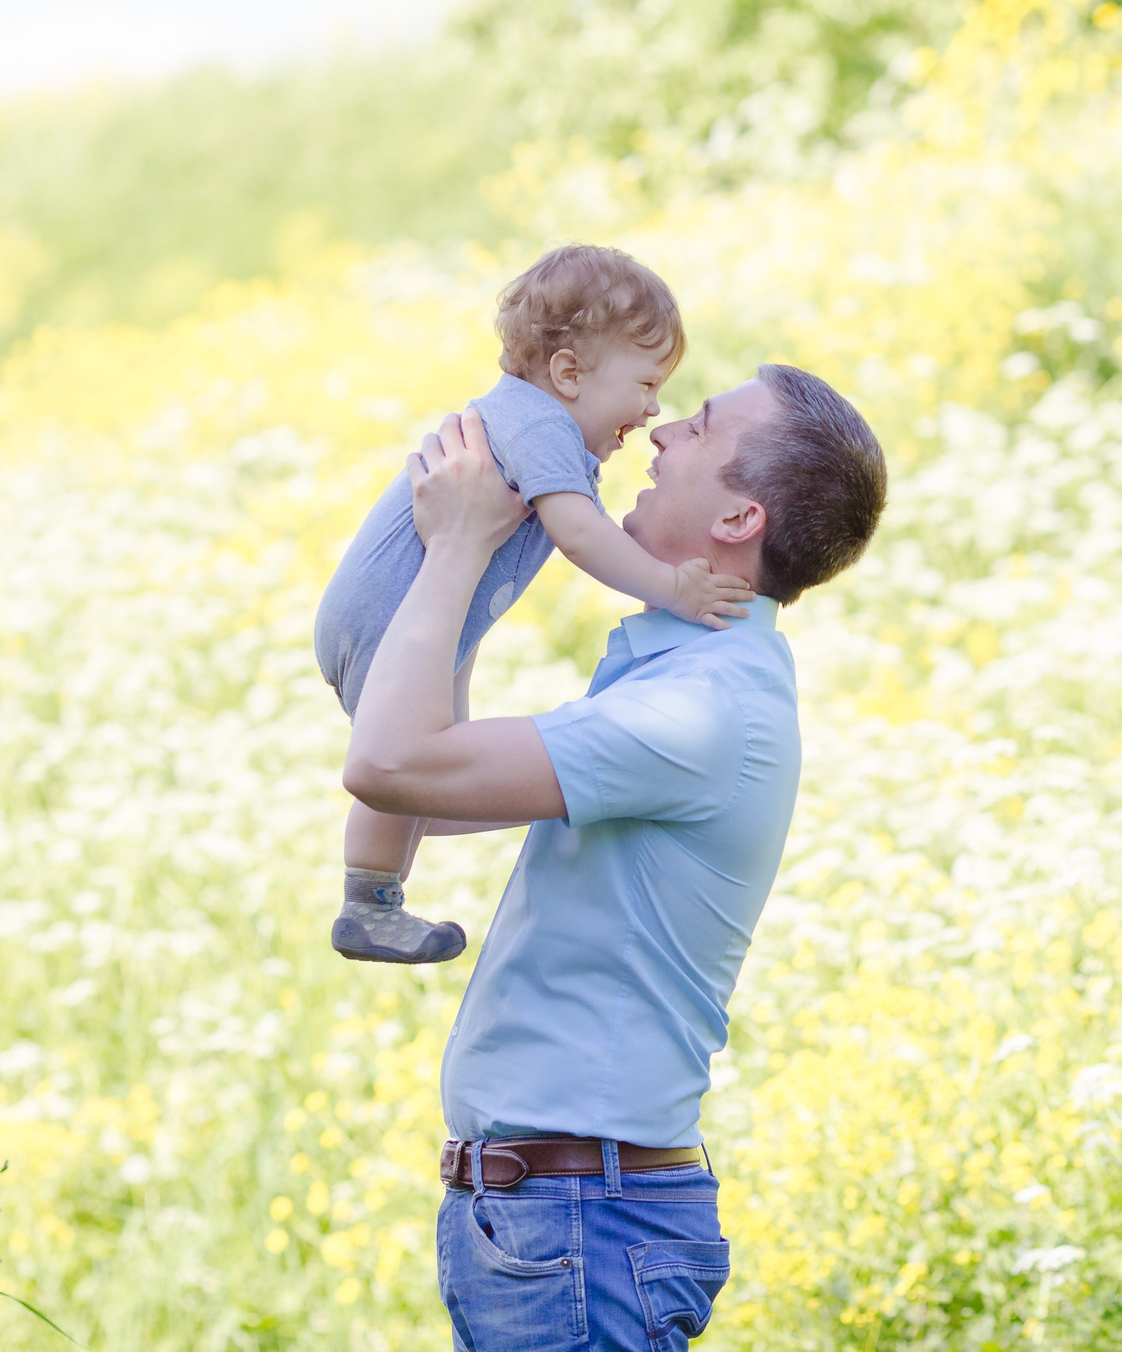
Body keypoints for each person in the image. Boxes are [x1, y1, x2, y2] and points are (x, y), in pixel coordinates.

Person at [342, 364, 886, 1350]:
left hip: (579, 1226)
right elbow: (431, 790)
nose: (661, 433)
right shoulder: (684, 676)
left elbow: (391, 765)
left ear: (736, 521)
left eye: (701, 427)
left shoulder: (700, 709)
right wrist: (468, 559)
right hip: (558, 1218)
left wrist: (458, 546)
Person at [314, 245, 753, 965]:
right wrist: (675, 586)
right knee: (408, 763)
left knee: (433, 764)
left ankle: (394, 875)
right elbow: (581, 533)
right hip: (390, 616)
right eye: (645, 384)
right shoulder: (541, 423)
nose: (651, 411)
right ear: (569, 372)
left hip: (415, 614)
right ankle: (370, 899)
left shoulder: (537, 423)